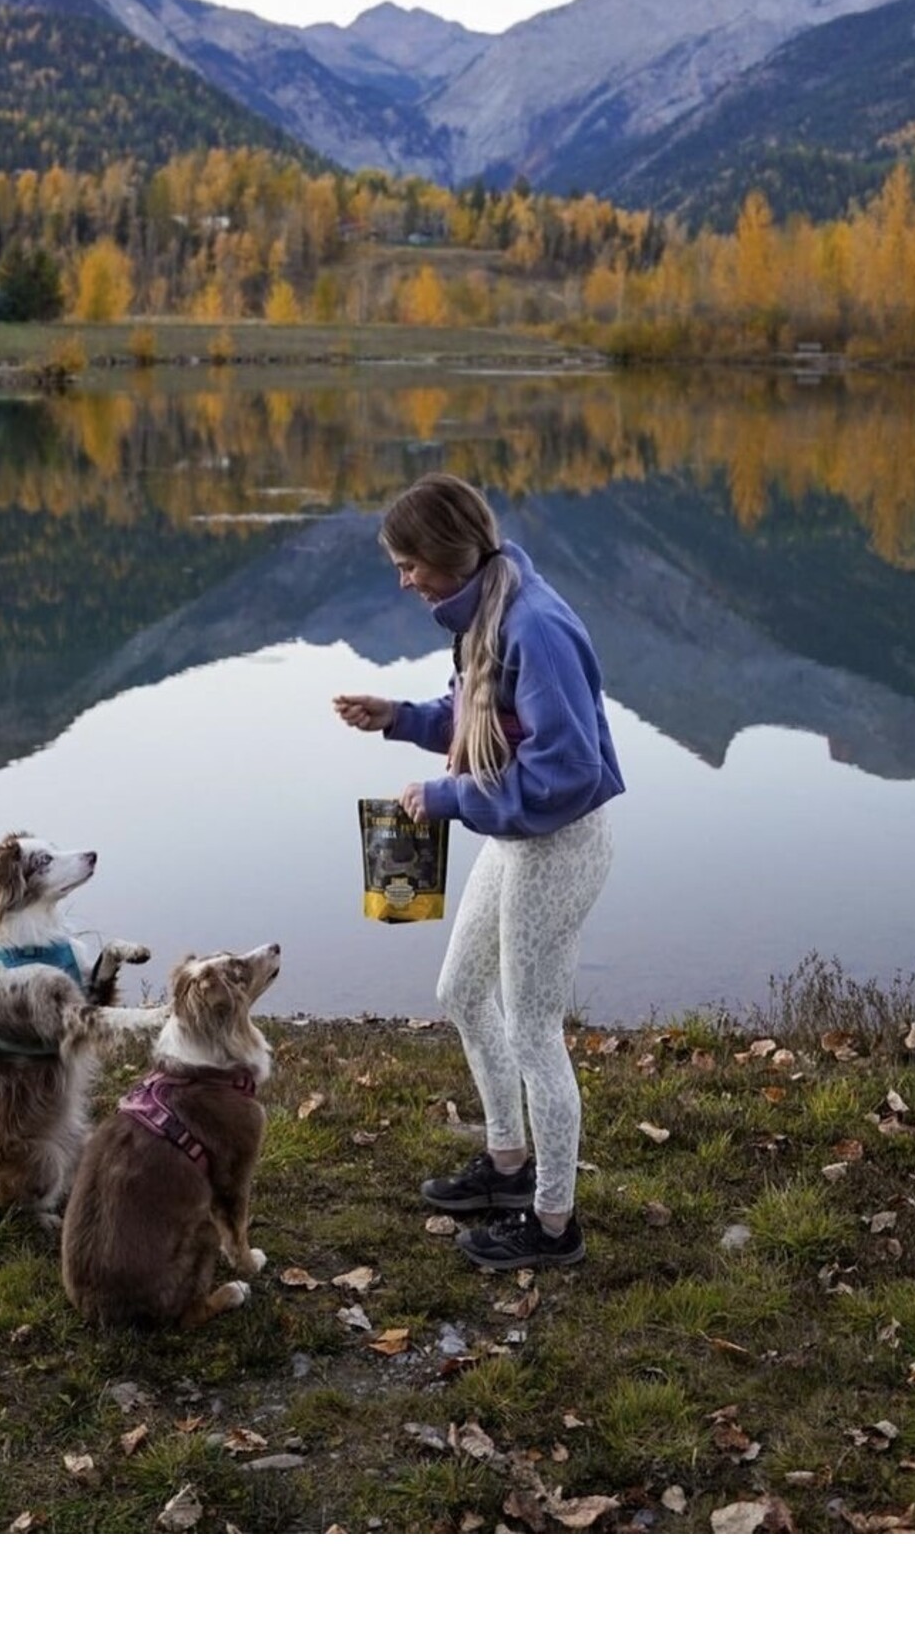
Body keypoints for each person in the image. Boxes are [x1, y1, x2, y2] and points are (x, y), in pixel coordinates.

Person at [333, 472, 623, 1269]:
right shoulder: (487, 608)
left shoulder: (537, 626)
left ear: (447, 553)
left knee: (534, 1029)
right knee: (460, 990)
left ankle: (555, 1224)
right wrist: (399, 717)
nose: (404, 579)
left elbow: (566, 771)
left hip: (560, 844)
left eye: (409, 562)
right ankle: (506, 1166)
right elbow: (481, 721)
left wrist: (451, 796)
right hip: (522, 836)